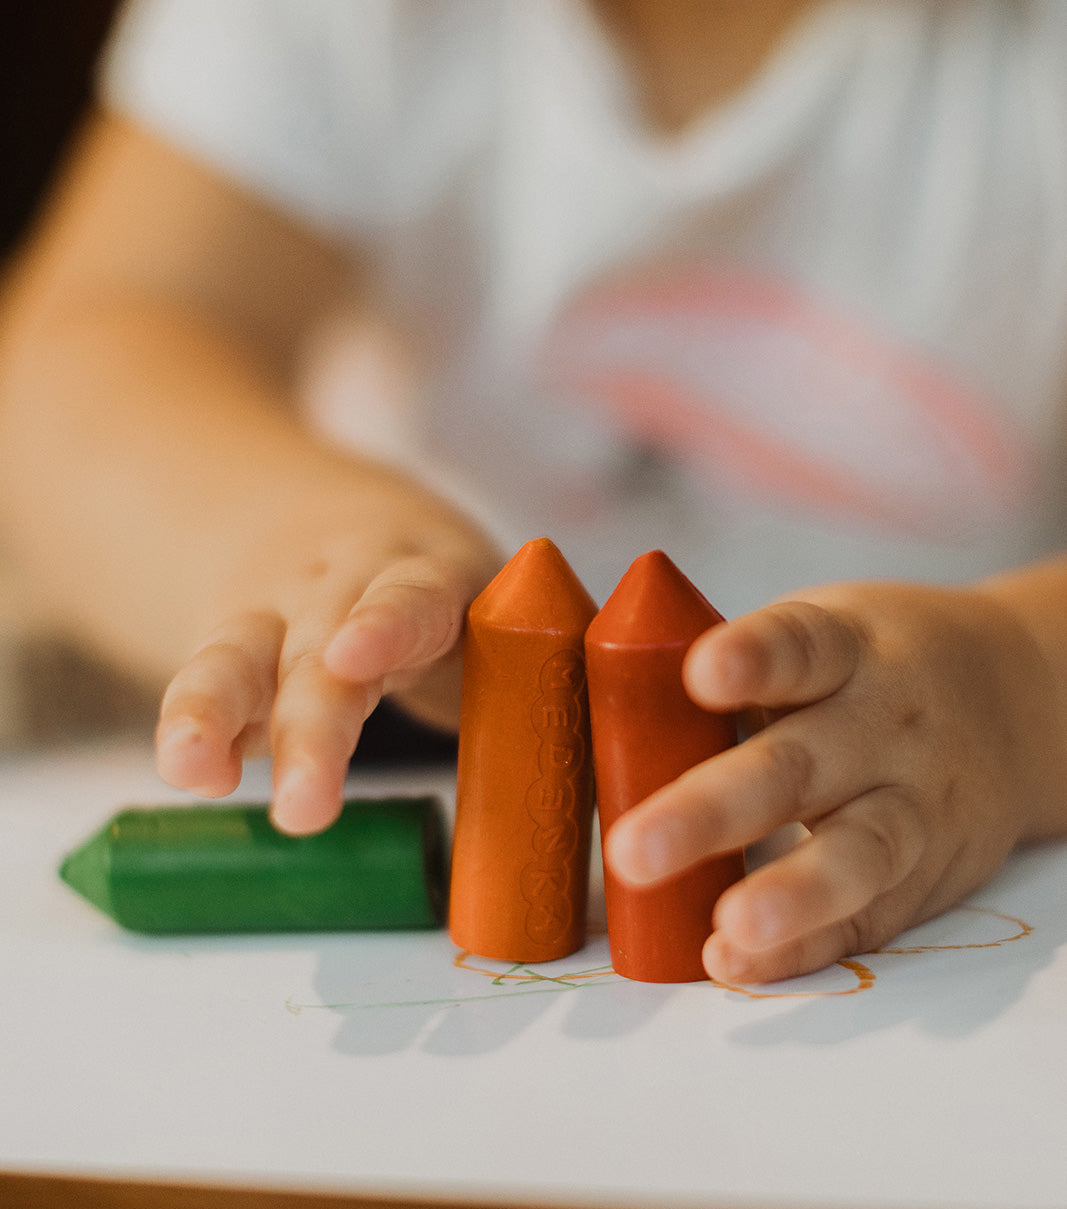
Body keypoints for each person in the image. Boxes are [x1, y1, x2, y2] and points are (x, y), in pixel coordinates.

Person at [2, 0, 1067, 986]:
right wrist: (290, 537)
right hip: (418, 722)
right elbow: (88, 355)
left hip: (936, 763)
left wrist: (1021, 685)